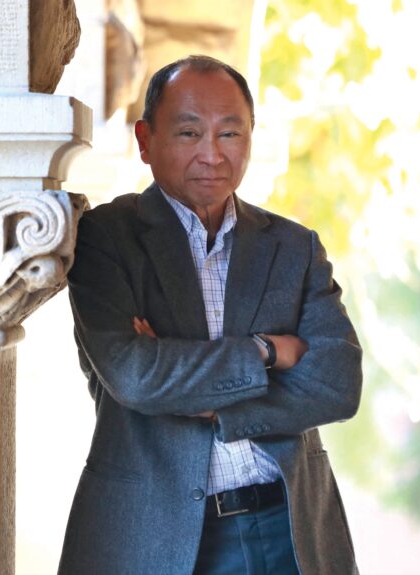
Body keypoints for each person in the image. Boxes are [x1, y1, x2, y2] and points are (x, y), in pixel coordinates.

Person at [58, 55, 362, 574]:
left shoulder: (292, 247)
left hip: (289, 529)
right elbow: (138, 377)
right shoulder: (107, 238)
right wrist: (268, 353)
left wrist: (220, 409)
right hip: (153, 534)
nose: (212, 154)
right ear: (145, 140)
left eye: (230, 134)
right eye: (188, 132)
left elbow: (338, 383)